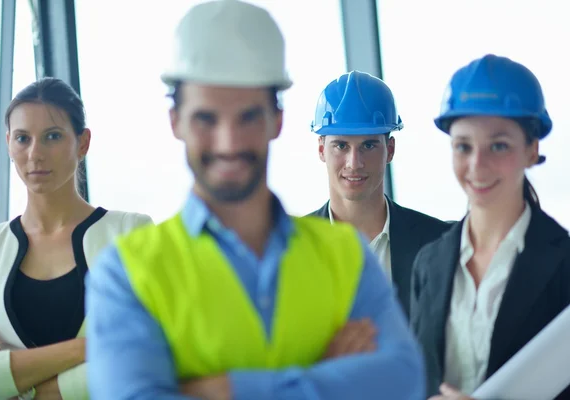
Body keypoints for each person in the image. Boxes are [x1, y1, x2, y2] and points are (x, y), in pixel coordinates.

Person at [85, 1, 425, 399]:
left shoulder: (345, 255)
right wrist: (323, 376)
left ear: (276, 119)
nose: (229, 143)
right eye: (206, 119)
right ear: (175, 121)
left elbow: (403, 380)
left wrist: (224, 389)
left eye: (247, 117)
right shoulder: (128, 273)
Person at [0, 77, 152, 400]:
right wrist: (87, 349)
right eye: (23, 139)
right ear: (9, 143)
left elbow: (145, 359)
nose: (35, 154)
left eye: (52, 136)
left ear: (82, 143)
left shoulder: (132, 233)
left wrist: (13, 382)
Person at [410, 54, 570, 400]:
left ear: (532, 149)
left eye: (498, 146)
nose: (477, 165)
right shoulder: (429, 264)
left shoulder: (565, 263)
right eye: (463, 147)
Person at [309, 71, 450, 317]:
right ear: (322, 150)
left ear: (390, 150)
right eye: (341, 146)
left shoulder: (441, 243)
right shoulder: (289, 249)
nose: (354, 163)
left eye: (369, 145)